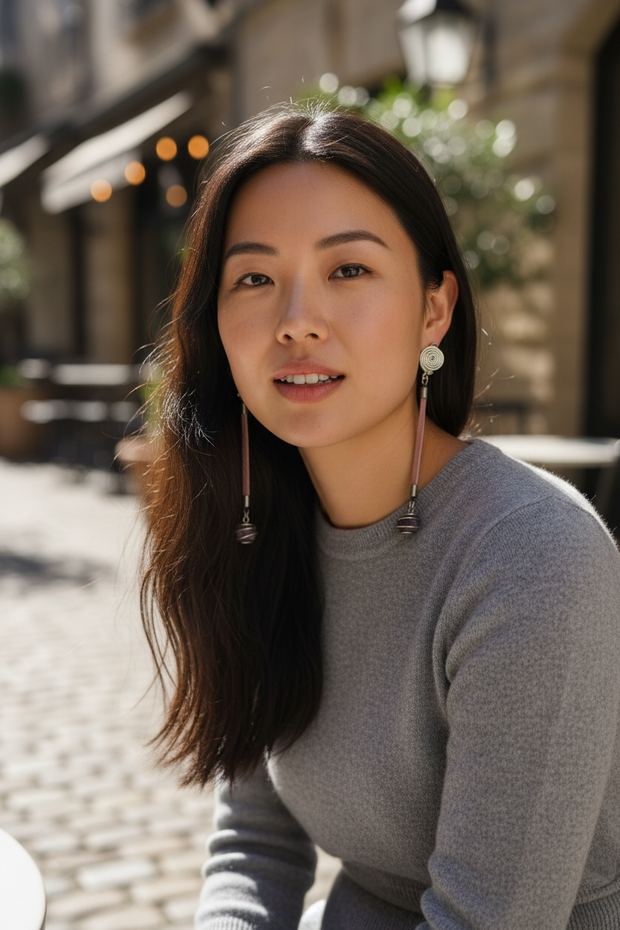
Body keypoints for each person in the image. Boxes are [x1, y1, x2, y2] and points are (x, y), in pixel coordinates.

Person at [140, 102, 620, 930]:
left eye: (349, 270)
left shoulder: (534, 558)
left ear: (434, 311)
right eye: (254, 277)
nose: (296, 319)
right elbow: (255, 842)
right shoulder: (257, 529)